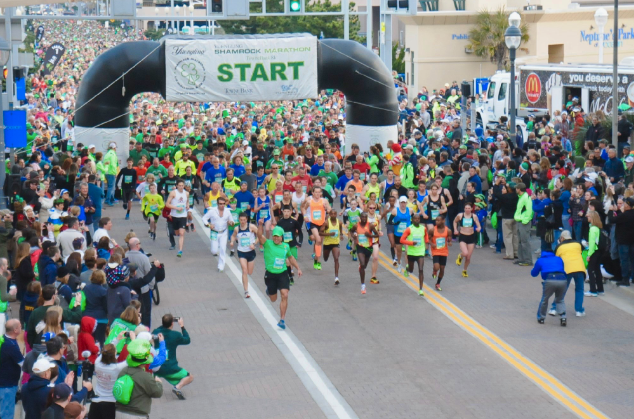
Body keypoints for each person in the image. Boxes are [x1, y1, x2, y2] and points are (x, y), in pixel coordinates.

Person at [256, 222, 302, 329]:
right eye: (274, 236)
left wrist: (298, 268)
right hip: (270, 275)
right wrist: (260, 225)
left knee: (285, 294)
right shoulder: (268, 243)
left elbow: (290, 258)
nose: (276, 238)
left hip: (282, 274)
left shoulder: (286, 247)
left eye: (278, 236)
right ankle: (269, 291)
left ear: (282, 237)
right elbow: (259, 235)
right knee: (273, 299)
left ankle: (282, 319)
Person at [114, 339, 163, 417]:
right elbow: (157, 393)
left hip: (119, 412)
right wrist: (159, 383)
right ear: (144, 362)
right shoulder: (145, 376)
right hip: (136, 414)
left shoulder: (123, 371)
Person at [151, 314, 193, 400]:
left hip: (155, 366)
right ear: (172, 324)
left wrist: (164, 324)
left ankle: (154, 380)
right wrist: (182, 326)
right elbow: (187, 340)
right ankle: (177, 387)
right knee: (190, 377)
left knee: (153, 376)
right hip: (170, 368)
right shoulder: (176, 335)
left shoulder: (155, 332)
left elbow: (158, 329)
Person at [89, 344, 127, 419]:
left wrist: (116, 340)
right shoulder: (117, 368)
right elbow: (130, 360)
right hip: (110, 402)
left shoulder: (97, 363)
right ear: (114, 354)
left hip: (96, 400)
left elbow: (103, 353)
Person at [531, 250, 568, 326]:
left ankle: (541, 318)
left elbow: (533, 274)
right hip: (562, 279)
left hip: (549, 279)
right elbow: (562, 268)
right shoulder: (558, 258)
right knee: (560, 299)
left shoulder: (540, 260)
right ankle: (563, 317)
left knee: (545, 299)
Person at [554, 231, 586, 317]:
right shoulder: (578, 244)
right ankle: (579, 310)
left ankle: (554, 308)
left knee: (562, 289)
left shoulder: (559, 246)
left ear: (562, 238)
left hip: (567, 269)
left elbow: (556, 259)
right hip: (579, 268)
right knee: (579, 289)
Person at [202, 196, 235, 272]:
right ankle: (216, 248)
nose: (222, 205)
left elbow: (232, 222)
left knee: (223, 249)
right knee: (214, 251)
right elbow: (204, 218)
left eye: (223, 204)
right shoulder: (212, 211)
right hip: (214, 232)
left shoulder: (227, 211)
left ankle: (221, 266)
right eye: (220, 204)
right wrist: (209, 224)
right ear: (217, 204)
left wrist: (230, 222)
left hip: (223, 232)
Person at [301, 186, 330, 270]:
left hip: (322, 223)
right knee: (318, 239)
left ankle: (317, 260)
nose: (317, 194)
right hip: (312, 223)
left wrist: (326, 209)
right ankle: (319, 260)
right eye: (316, 192)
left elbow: (330, 210)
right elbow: (303, 208)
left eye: (319, 192)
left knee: (319, 242)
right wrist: (305, 216)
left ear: (321, 193)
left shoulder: (324, 201)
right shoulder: (309, 201)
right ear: (312, 193)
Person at [229, 212, 258, 298]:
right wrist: (231, 241)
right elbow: (233, 236)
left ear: (247, 220)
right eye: (241, 220)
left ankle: (246, 286)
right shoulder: (237, 229)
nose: (242, 222)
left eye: (244, 220)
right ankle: (246, 291)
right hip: (241, 252)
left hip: (251, 252)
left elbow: (259, 235)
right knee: (244, 271)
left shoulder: (251, 227)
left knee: (249, 272)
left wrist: (254, 244)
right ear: (239, 220)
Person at [0, 319, 24, 419]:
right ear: (15, 330)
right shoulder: (11, 346)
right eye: (19, 326)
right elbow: (23, 363)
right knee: (7, 413)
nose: (21, 327)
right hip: (7, 385)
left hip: (3, 382)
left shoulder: (4, 339)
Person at [400, 213, 427, 296]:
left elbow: (426, 238)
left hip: (420, 252)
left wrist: (426, 245)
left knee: (421, 269)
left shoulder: (423, 228)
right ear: (412, 220)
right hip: (411, 253)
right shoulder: (409, 229)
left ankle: (421, 289)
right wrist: (411, 243)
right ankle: (408, 268)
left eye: (418, 219)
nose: (417, 220)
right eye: (415, 219)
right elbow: (402, 240)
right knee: (411, 270)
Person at [353, 213, 380, 295]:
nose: (364, 218)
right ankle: (363, 285)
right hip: (360, 247)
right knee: (362, 263)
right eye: (362, 217)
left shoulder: (370, 226)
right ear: (360, 218)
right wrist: (354, 237)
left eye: (365, 217)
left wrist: (370, 235)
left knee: (364, 266)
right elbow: (351, 231)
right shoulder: (356, 225)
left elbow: (377, 234)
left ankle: (361, 266)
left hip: (368, 247)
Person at [453, 202, 481, 277]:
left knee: (468, 257)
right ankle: (460, 256)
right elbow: (455, 221)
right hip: (463, 236)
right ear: (464, 209)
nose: (467, 210)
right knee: (465, 253)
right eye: (466, 208)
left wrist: (479, 228)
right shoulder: (460, 215)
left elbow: (478, 225)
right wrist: (455, 229)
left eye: (469, 208)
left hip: (471, 236)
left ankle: (464, 270)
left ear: (471, 209)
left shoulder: (474, 216)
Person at [165, 179, 189, 257]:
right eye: (180, 186)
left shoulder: (186, 193)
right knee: (176, 233)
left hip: (183, 216)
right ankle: (170, 231)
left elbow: (187, 201)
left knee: (182, 233)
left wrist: (187, 205)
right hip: (175, 216)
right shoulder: (173, 193)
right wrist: (176, 208)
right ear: (177, 186)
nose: (181, 187)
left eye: (182, 186)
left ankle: (180, 251)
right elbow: (167, 204)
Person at [429, 214, 452, 291]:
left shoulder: (448, 230)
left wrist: (449, 242)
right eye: (436, 220)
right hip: (435, 250)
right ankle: (434, 271)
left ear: (443, 221)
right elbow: (428, 239)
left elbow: (449, 238)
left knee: (442, 269)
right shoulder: (432, 230)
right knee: (437, 267)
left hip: (444, 251)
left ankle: (438, 283)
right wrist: (432, 244)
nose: (437, 222)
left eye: (438, 220)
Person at [320, 209, 343, 285]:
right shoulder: (326, 223)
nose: (333, 215)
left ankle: (336, 277)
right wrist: (329, 234)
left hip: (335, 243)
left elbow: (340, 229)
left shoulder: (339, 222)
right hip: (327, 243)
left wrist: (342, 235)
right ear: (329, 215)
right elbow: (320, 233)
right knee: (325, 258)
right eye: (331, 214)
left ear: (336, 215)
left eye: (334, 214)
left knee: (336, 258)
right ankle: (326, 254)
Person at [585, 211, 604, 297]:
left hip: (594, 251)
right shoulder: (598, 228)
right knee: (597, 270)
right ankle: (600, 289)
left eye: (589, 216)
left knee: (591, 270)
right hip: (599, 251)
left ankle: (593, 290)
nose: (587, 218)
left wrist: (589, 254)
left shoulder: (592, 229)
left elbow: (592, 243)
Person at [514, 183, 534, 266]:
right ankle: (521, 258)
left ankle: (528, 260)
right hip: (520, 221)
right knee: (520, 242)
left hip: (523, 222)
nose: (515, 190)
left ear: (519, 189)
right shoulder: (522, 197)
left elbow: (529, 210)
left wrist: (525, 221)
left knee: (525, 242)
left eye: (516, 188)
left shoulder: (525, 197)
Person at [0, 258, 17, 334]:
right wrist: (11, 293)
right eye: (6, 264)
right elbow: (3, 298)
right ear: (2, 267)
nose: (7, 266)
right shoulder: (3, 279)